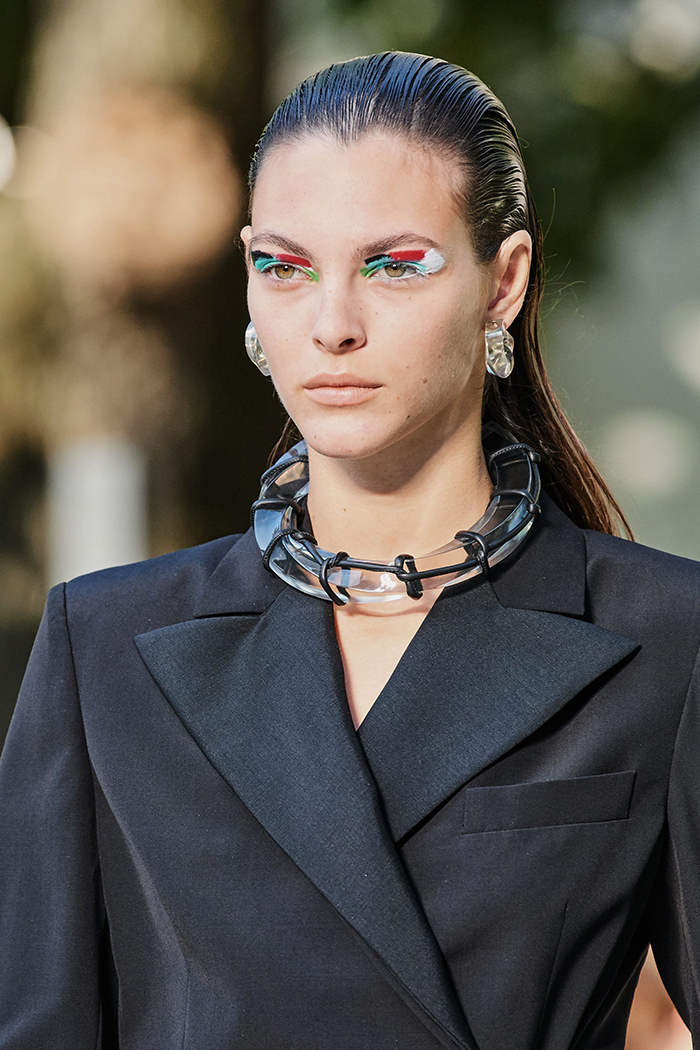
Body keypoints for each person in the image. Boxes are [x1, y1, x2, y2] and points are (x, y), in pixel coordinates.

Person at [1, 50, 699, 1050]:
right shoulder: (103, 643)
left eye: (394, 265)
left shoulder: (664, 636)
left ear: (503, 283)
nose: (331, 325)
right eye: (284, 267)